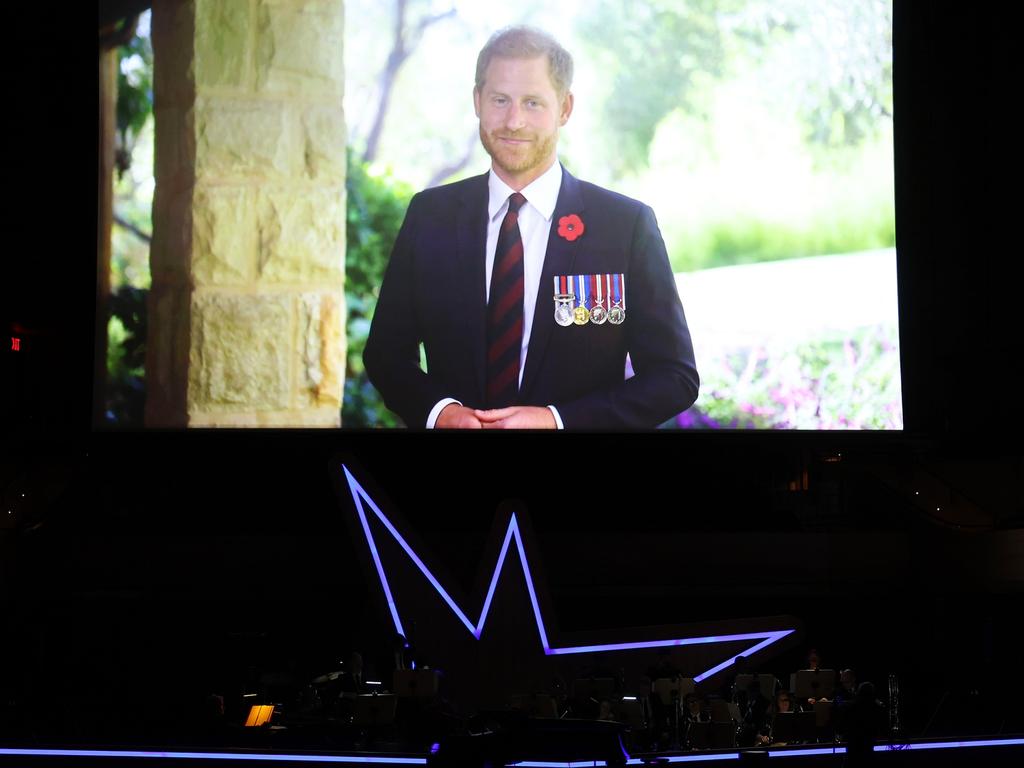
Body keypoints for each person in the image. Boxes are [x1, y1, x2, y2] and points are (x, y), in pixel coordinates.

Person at [363, 25, 699, 430]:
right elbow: (386, 354)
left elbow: (674, 377)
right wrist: (440, 413)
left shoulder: (625, 226)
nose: (514, 121)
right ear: (477, 101)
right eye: (500, 100)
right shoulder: (429, 216)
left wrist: (557, 421)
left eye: (533, 103)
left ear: (565, 109)